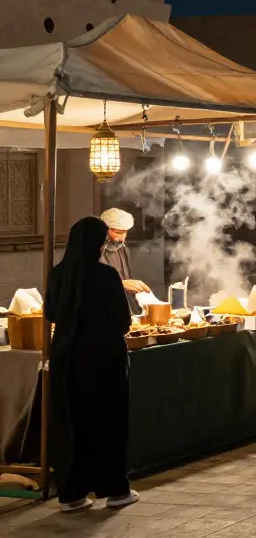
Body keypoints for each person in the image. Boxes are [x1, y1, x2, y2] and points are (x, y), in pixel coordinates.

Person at [46, 216, 137, 512]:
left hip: (65, 356)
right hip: (103, 357)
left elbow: (50, 313)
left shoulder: (58, 273)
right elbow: (123, 320)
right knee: (108, 422)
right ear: (98, 245)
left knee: (71, 422)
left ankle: (71, 493)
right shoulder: (106, 275)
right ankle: (116, 490)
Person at [99, 208, 150, 316]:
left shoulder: (123, 249)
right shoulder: (90, 250)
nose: (122, 238)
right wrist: (119, 284)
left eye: (125, 232)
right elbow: (86, 284)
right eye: (118, 232)